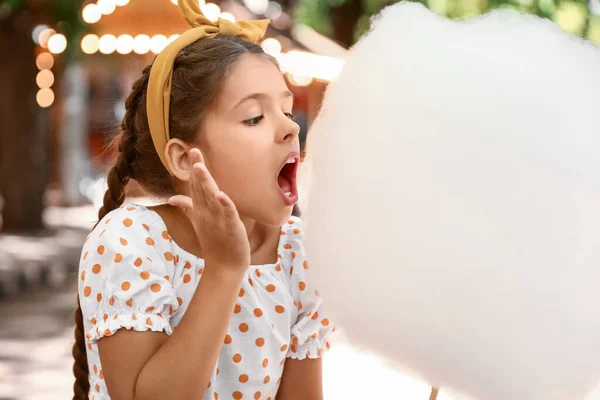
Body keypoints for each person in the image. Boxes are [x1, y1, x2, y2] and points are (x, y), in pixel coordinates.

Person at [71, 1, 333, 399]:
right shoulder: (129, 244)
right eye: (253, 118)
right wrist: (224, 270)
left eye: (285, 108)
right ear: (182, 158)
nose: (288, 127)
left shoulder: (297, 254)